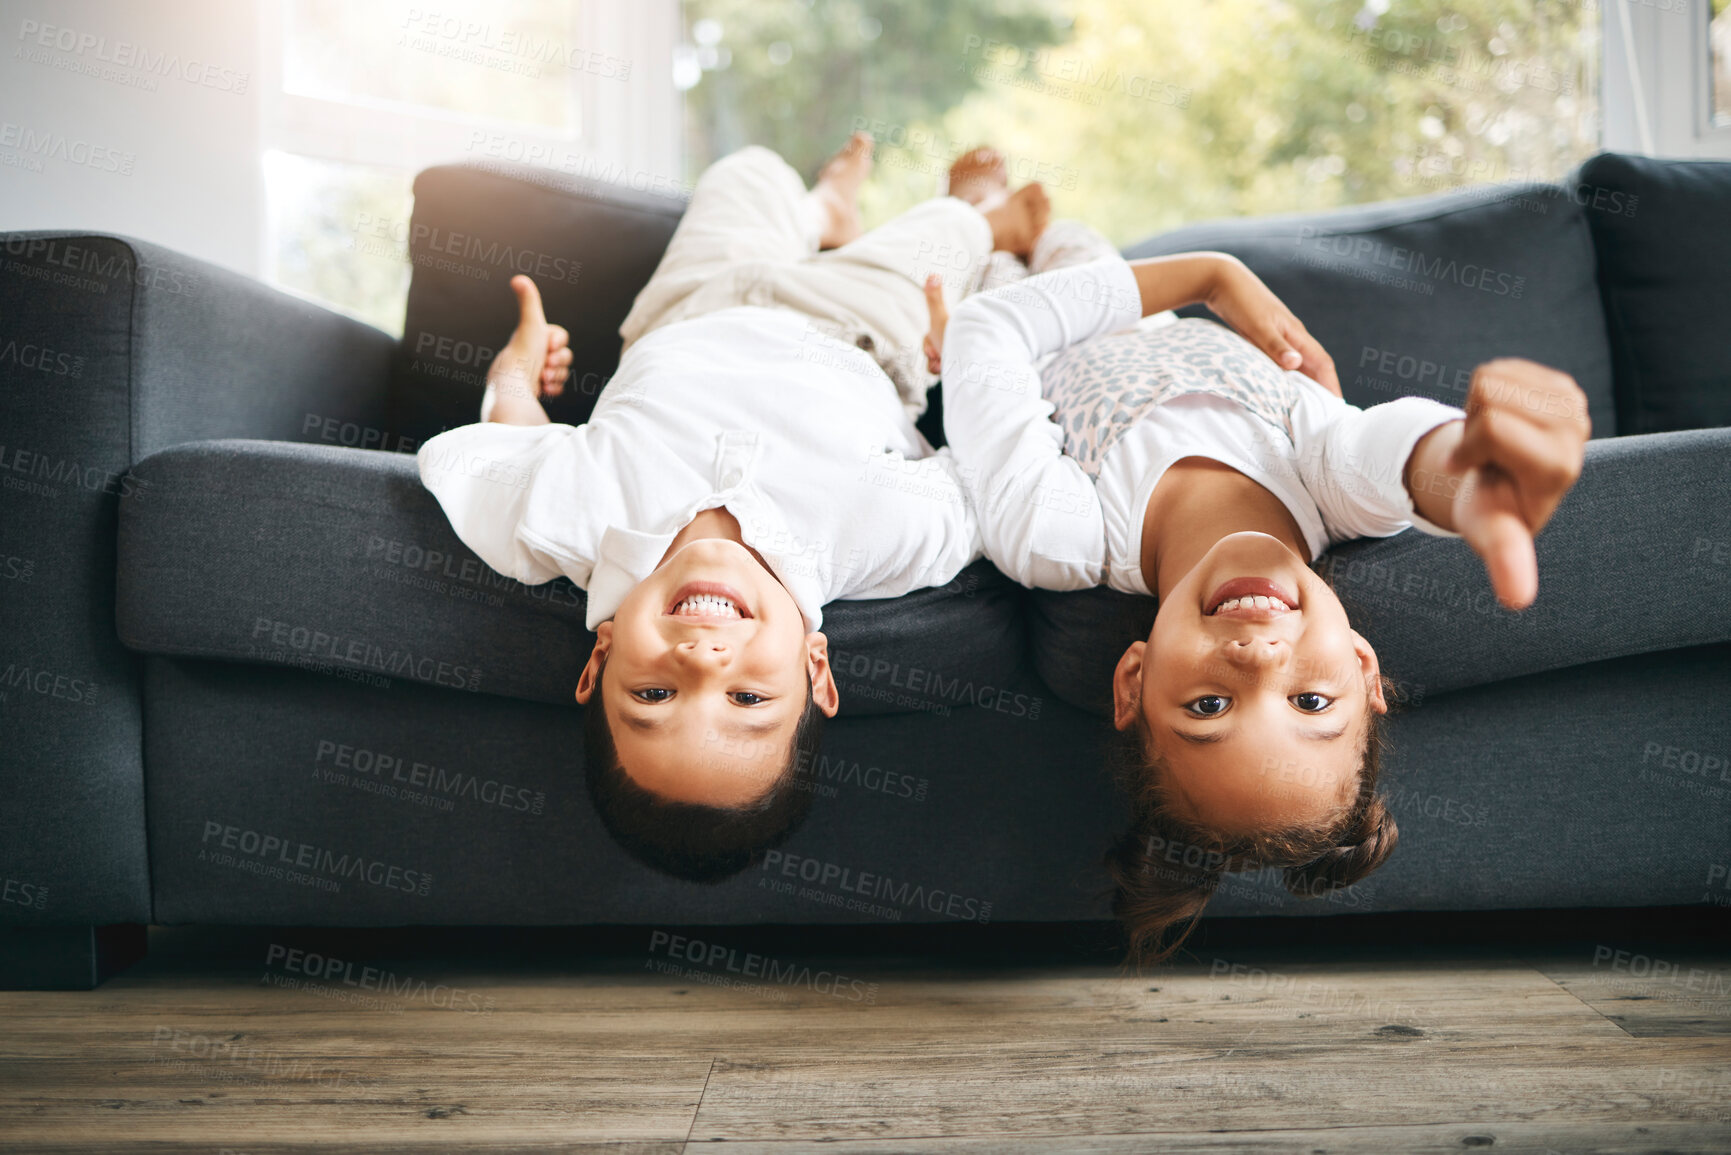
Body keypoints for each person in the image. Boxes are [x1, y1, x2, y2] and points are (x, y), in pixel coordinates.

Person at [928, 244, 1588, 965]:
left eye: (1207, 708)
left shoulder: (1059, 531)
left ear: (1133, 682)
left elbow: (983, 330)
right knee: (1070, 238)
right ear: (1364, 668)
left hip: (1004, 306)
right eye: (1310, 702)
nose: (1260, 656)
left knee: (952, 259)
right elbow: (1394, 458)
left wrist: (1211, 274)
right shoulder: (1325, 478)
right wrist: (1470, 475)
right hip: (1114, 289)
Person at [416, 134, 1049, 882]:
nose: (702, 658)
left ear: (597, 661)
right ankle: (982, 215)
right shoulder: (875, 536)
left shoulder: (562, 520)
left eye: (653, 693)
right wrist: (969, 358)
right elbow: (995, 476)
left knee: (748, 169)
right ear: (817, 669)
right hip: (859, 328)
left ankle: (825, 208)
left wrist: (516, 372)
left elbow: (490, 447)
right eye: (748, 695)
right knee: (957, 229)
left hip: (690, 306)